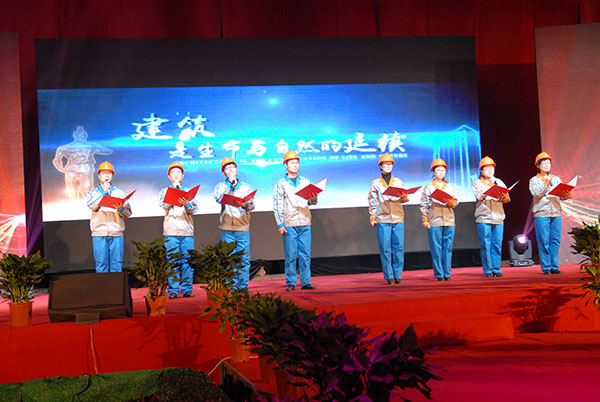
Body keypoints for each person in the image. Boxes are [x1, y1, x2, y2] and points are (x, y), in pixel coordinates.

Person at [273, 150, 318, 291]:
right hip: (289, 223)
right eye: (292, 163)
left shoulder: (305, 181)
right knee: (291, 255)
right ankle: (291, 282)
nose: (295, 165)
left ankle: (306, 282)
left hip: (305, 221)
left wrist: (314, 198)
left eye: (297, 162)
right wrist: (280, 224)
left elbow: (311, 202)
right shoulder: (281, 184)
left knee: (305, 255)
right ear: (285, 165)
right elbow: (277, 204)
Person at [213, 157, 256, 291]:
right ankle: (231, 286)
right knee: (229, 258)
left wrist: (245, 205)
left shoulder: (245, 187)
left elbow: (252, 205)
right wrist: (229, 186)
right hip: (227, 228)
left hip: (242, 226)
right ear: (224, 172)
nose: (231, 170)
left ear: (236, 170)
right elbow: (219, 199)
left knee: (243, 258)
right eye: (227, 168)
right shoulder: (220, 186)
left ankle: (243, 286)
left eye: (233, 167)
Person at [368, 154, 409, 285]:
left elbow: (404, 199)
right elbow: (372, 201)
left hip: (398, 217)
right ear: (380, 166)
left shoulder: (398, 182)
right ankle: (389, 276)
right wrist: (373, 217)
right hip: (382, 218)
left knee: (399, 248)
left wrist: (404, 197)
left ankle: (398, 275)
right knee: (385, 248)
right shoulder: (375, 184)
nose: (388, 166)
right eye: (385, 164)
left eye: (390, 164)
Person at [159, 161, 198, 298]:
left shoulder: (188, 191)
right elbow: (164, 205)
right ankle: (173, 290)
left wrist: (187, 203)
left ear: (182, 175)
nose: (176, 175)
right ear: (169, 176)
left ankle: (187, 289)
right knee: (172, 261)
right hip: (171, 231)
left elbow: (194, 209)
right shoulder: (164, 191)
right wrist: (174, 193)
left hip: (186, 231)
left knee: (187, 262)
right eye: (173, 173)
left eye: (179, 172)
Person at [529, 152, 572, 274]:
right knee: (544, 240)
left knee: (555, 240)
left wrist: (566, 194)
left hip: (556, 212)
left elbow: (561, 196)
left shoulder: (556, 179)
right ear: (538, 165)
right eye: (544, 163)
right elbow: (536, 193)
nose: (547, 165)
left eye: (548, 163)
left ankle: (554, 266)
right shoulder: (534, 180)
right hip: (542, 213)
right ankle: (546, 266)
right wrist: (546, 183)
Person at [86, 161, 132, 273]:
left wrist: (120, 209)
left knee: (117, 264)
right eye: (103, 173)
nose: (106, 176)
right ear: (98, 175)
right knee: (101, 264)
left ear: (112, 175)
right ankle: (102, 285)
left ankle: (117, 284)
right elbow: (92, 206)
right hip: (99, 232)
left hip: (116, 232)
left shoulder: (119, 192)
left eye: (109, 173)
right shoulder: (92, 193)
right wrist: (104, 193)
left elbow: (128, 213)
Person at [420, 158, 459, 281]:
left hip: (449, 220)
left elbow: (455, 202)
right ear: (433, 172)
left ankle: (447, 273)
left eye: (443, 170)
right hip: (434, 220)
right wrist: (425, 219)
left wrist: (451, 202)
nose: (441, 172)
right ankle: (439, 274)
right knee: (436, 248)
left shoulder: (450, 187)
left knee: (448, 248)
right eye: (438, 170)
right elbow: (424, 205)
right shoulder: (429, 187)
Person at [473, 156, 510, 278]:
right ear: (481, 170)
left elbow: (507, 199)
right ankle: (488, 270)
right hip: (484, 217)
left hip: (498, 217)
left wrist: (504, 196)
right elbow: (479, 196)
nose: (490, 171)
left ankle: (496, 268)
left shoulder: (499, 182)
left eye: (491, 169)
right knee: (486, 244)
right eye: (487, 169)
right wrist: (489, 189)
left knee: (497, 244)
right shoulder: (478, 183)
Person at [53, 126, 113, 199]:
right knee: (72, 189)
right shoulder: (65, 147)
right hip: (72, 170)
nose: (81, 136)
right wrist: (61, 169)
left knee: (86, 189)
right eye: (79, 135)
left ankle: (87, 203)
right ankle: (75, 203)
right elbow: (56, 160)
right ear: (75, 136)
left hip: (85, 170)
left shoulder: (91, 146)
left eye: (83, 135)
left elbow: (106, 151)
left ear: (85, 136)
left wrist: (112, 146)